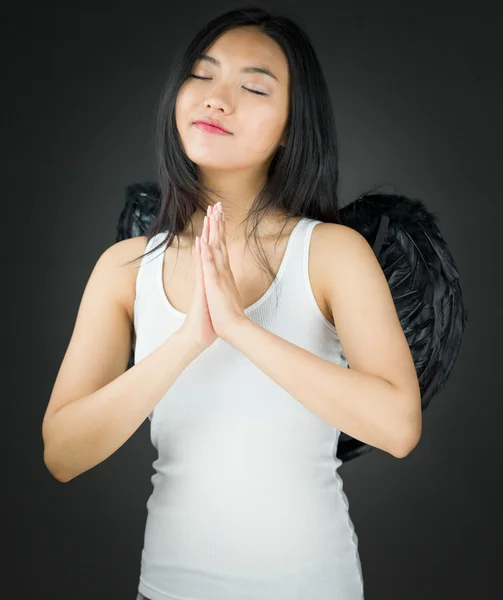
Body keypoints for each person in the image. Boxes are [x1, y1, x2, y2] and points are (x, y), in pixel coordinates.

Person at [42, 6, 422, 600]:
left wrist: (242, 330)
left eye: (252, 86)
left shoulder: (331, 254)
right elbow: (62, 453)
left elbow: (398, 427)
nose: (217, 99)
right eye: (202, 75)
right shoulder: (123, 269)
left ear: (294, 126)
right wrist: (189, 339)